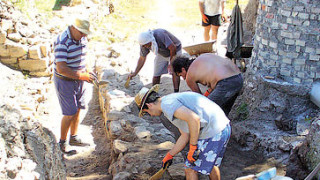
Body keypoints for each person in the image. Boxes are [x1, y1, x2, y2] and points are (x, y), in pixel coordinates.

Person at [135, 85, 231, 180]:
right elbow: (185, 135)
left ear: (149, 105)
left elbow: (194, 119)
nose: (151, 115)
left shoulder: (167, 105)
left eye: (147, 112)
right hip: (222, 126)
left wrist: (193, 148)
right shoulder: (168, 101)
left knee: (190, 168)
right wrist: (170, 154)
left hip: (213, 131)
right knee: (212, 164)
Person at [53, 17, 95, 154]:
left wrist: (87, 71)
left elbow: (84, 56)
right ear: (74, 28)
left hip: (78, 79)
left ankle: (74, 137)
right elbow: (62, 69)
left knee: (78, 108)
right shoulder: (62, 42)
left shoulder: (81, 38)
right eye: (82, 32)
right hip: (65, 81)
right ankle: (62, 143)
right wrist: (82, 75)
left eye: (85, 33)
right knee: (69, 112)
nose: (84, 36)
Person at [172, 53, 243, 115]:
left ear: (183, 69)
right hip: (239, 77)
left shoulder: (189, 77)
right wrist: (208, 92)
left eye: (181, 75)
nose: (183, 78)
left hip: (226, 82)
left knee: (205, 108)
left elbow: (200, 99)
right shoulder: (201, 59)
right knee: (223, 110)